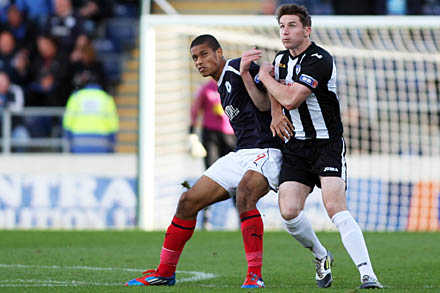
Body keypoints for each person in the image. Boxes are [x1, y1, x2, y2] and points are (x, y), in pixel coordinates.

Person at [125, 34, 285, 288]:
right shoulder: (218, 84)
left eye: (204, 54)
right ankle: (164, 272)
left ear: (219, 53)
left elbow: (271, 81)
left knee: (245, 195)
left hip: (267, 150)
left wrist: (275, 111)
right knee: (187, 201)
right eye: (194, 58)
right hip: (240, 154)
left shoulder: (235, 67)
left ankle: (254, 275)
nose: (199, 61)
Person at [258, 3, 383, 289]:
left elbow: (291, 98)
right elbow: (279, 98)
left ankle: (367, 274)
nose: (285, 31)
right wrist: (276, 113)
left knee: (335, 208)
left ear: (306, 30)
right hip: (295, 147)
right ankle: (321, 255)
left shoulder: (320, 59)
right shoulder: (279, 61)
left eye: (291, 26)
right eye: (281, 26)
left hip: (326, 144)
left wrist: (265, 79)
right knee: (288, 211)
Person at [189, 79, 236, 228]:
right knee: (210, 174)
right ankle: (206, 217)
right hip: (211, 135)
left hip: (231, 135)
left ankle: (243, 215)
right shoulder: (207, 89)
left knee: (236, 176)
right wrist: (192, 129)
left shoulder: (233, 85)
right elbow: (196, 108)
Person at [62, 83, 119, 153]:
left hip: (79, 141)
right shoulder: (106, 98)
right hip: (101, 142)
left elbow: (68, 120)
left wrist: (68, 137)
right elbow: (113, 123)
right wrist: (112, 140)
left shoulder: (76, 97)